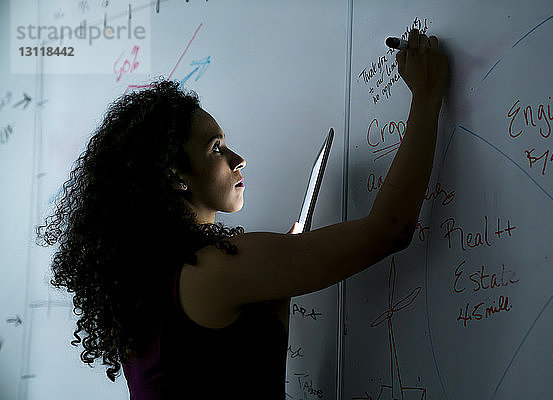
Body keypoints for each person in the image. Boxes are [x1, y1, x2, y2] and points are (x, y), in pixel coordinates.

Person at [36, 29, 448, 399]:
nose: (238, 159)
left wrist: (277, 266)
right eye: (216, 148)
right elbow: (389, 230)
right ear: (176, 175)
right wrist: (426, 100)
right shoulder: (217, 270)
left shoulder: (145, 284)